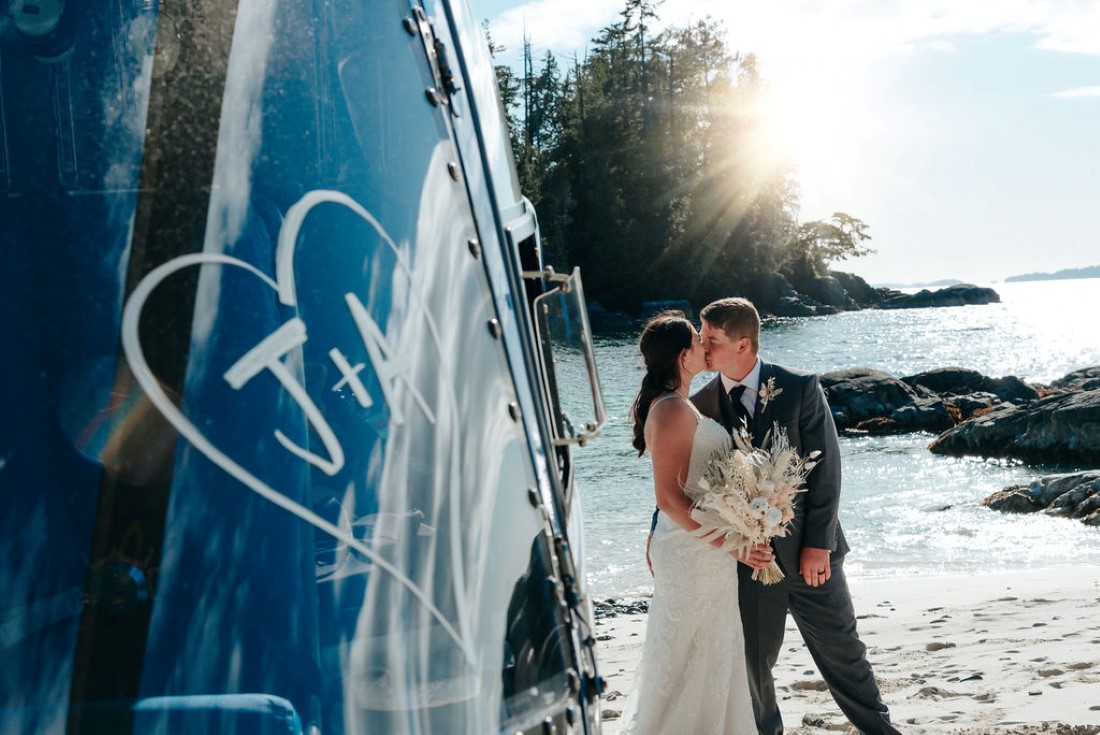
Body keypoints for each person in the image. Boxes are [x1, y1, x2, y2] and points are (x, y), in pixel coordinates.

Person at [692, 296, 900, 735]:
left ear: (743, 344)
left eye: (711, 338)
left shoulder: (801, 386)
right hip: (748, 561)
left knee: (841, 650)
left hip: (812, 557)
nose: (701, 345)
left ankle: (881, 731)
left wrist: (818, 544)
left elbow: (827, 468)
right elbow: (694, 484)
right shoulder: (701, 404)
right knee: (753, 660)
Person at [619, 311, 766, 735]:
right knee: (687, 658)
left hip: (706, 553)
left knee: (712, 654)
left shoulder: (683, 405)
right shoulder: (670, 410)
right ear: (685, 356)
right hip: (692, 555)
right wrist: (733, 544)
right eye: (698, 342)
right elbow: (668, 498)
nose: (707, 346)